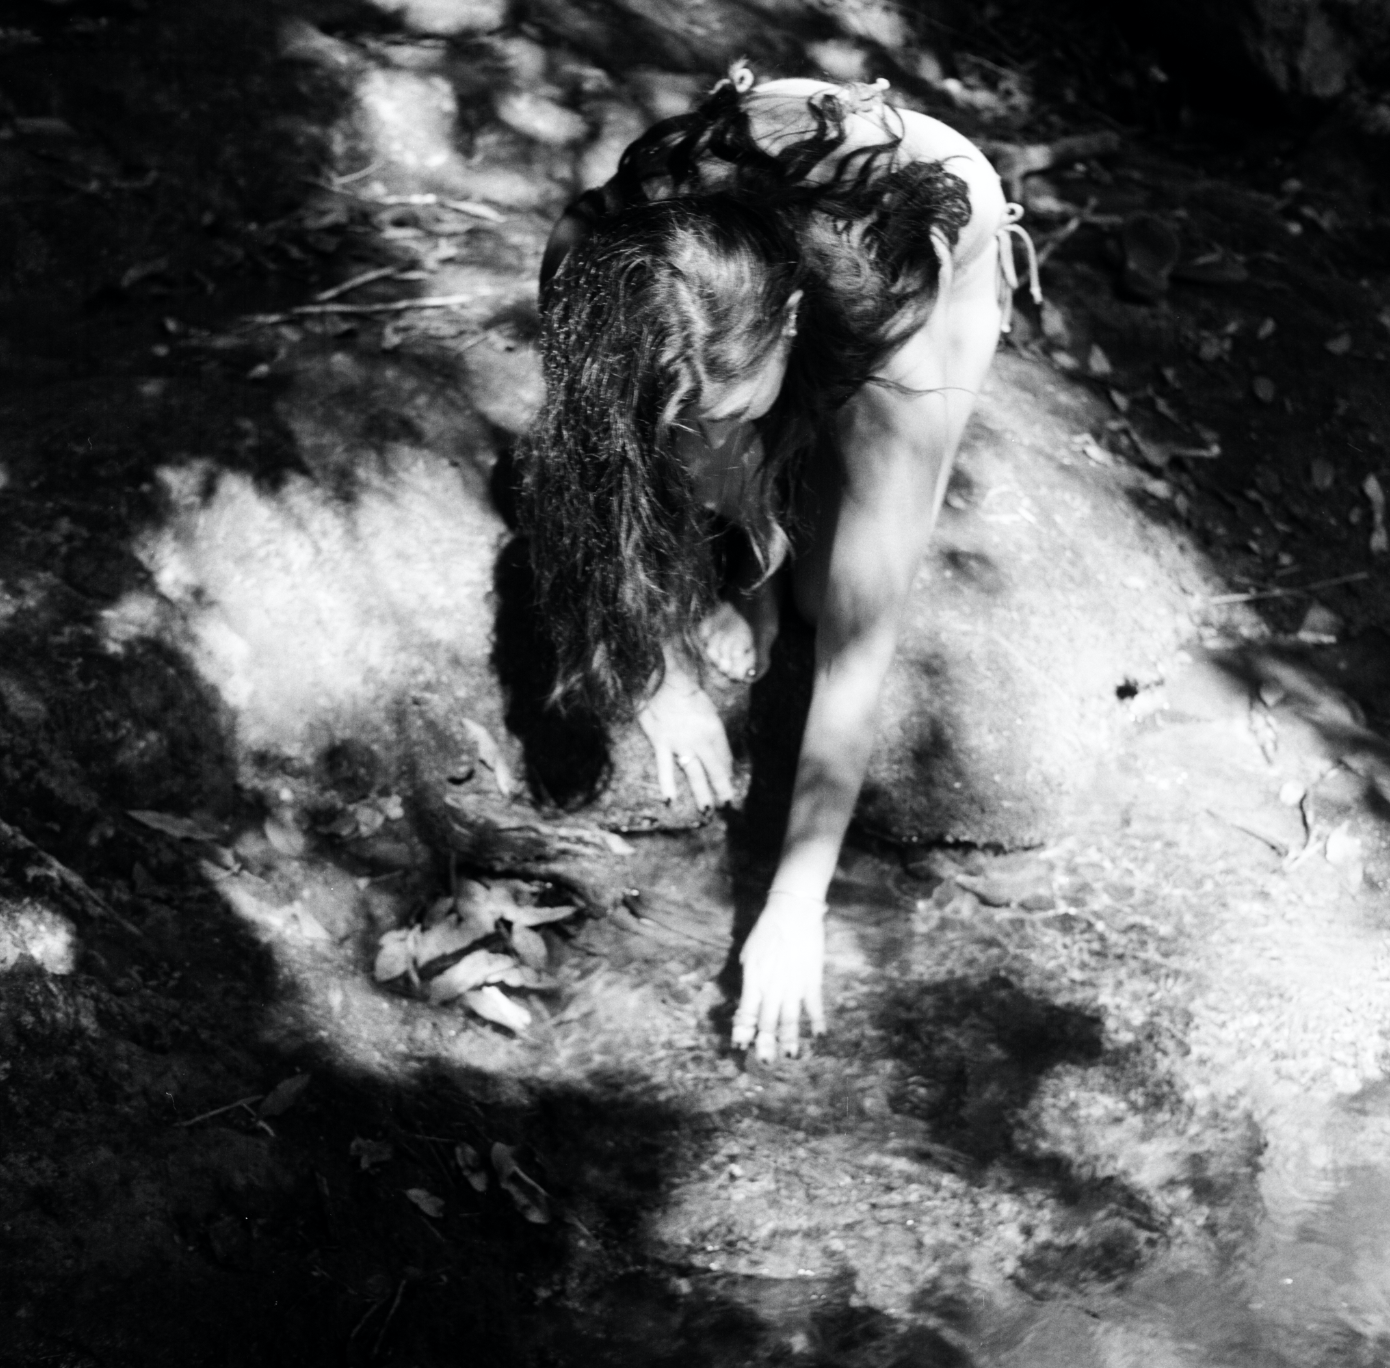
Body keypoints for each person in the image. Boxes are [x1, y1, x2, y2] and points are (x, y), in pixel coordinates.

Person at [520, 64, 1036, 1062]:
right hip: (756, 184)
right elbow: (596, 465)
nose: (699, 459)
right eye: (678, 424)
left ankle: (768, 553)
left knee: (823, 588)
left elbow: (857, 657)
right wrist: (653, 668)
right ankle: (747, 545)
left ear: (793, 335)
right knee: (658, 458)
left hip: (935, 213)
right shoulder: (596, 262)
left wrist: (794, 907)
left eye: (718, 421)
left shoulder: (879, 341)